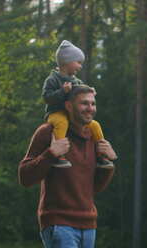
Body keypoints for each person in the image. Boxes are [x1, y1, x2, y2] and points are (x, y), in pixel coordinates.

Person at [19, 85, 117, 248]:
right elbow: (25, 177)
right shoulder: (48, 132)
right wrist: (51, 154)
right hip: (58, 223)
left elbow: (92, 188)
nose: (89, 108)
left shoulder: (93, 135)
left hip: (88, 225)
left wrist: (108, 164)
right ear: (68, 105)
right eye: (84, 103)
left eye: (92, 103)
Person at [42, 40, 114, 169]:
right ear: (66, 62)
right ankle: (59, 155)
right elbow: (47, 98)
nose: (80, 66)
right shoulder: (52, 79)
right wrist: (62, 91)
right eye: (78, 62)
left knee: (95, 125)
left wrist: (90, 91)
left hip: (72, 114)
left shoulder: (77, 81)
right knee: (62, 123)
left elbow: (82, 92)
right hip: (56, 113)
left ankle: (100, 154)